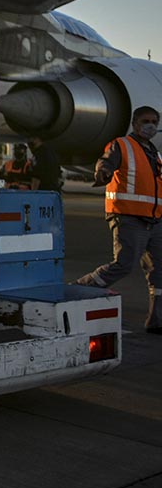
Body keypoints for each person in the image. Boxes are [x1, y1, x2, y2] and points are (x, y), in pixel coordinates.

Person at [74, 105, 162, 333]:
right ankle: (78, 290)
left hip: (155, 221)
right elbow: (105, 161)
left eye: (154, 121)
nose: (150, 125)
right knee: (124, 264)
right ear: (135, 123)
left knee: (160, 271)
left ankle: (157, 321)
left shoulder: (155, 153)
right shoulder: (122, 145)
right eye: (145, 121)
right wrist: (102, 171)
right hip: (129, 216)